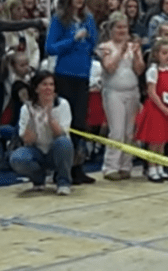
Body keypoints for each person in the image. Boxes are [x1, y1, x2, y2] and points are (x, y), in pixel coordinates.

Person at [45, 0, 98, 184]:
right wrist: (72, 40)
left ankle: (77, 167)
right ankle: (61, 169)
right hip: (65, 75)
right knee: (65, 122)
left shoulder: (88, 18)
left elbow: (93, 43)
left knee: (80, 123)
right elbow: (50, 48)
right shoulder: (59, 19)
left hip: (83, 74)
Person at [97, 12, 145, 180]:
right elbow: (109, 67)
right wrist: (121, 51)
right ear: (111, 29)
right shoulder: (106, 47)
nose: (122, 30)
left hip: (132, 92)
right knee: (116, 131)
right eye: (119, 27)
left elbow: (139, 70)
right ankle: (110, 167)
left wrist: (137, 54)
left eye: (125, 27)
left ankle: (126, 166)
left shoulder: (132, 47)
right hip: (113, 92)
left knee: (129, 132)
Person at [9, 71, 74, 195]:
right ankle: (38, 180)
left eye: (51, 84)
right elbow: (28, 140)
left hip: (56, 150)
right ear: (36, 88)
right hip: (36, 150)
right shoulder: (26, 109)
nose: (48, 88)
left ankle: (63, 182)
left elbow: (60, 134)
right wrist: (32, 118)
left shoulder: (63, 105)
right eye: (44, 84)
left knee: (64, 143)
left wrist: (49, 115)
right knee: (17, 158)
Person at [135, 39, 168, 182]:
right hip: (156, 109)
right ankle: (152, 168)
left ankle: (160, 167)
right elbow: (152, 92)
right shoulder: (153, 70)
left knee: (163, 142)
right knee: (154, 141)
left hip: (167, 109)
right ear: (156, 54)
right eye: (164, 53)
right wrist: (163, 108)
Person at [3, 0, 41, 69]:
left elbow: (35, 49)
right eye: (18, 9)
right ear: (10, 12)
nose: (22, 11)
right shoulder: (4, 32)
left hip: (28, 70)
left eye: (22, 8)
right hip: (9, 71)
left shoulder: (27, 28)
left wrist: (32, 66)